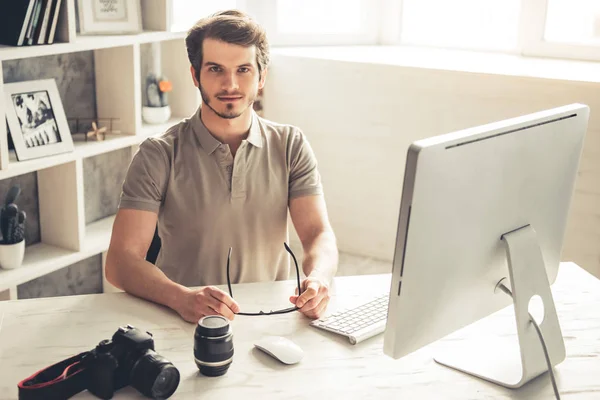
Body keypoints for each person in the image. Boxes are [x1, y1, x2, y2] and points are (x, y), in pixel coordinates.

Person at [105, 10, 338, 324]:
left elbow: (317, 234)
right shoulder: (158, 153)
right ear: (195, 75)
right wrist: (181, 298)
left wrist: (319, 278)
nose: (230, 84)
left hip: (271, 315)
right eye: (215, 69)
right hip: (182, 317)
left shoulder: (290, 144)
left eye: (243, 69)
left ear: (262, 76)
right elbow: (120, 262)